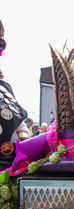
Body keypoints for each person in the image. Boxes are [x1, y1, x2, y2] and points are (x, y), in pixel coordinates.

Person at [0, 20, 29, 171]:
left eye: (1, 42)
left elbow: (19, 125)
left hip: (7, 172)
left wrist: (23, 139)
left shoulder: (5, 89)